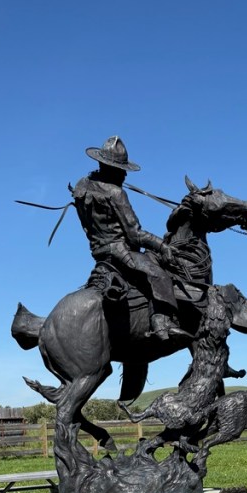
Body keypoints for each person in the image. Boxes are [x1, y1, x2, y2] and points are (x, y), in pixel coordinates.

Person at [72, 136, 191, 342]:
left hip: (99, 253)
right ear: (111, 168)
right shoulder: (116, 193)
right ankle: (161, 321)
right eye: (121, 169)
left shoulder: (81, 186)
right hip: (120, 253)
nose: (125, 174)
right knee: (159, 275)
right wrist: (162, 246)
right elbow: (135, 234)